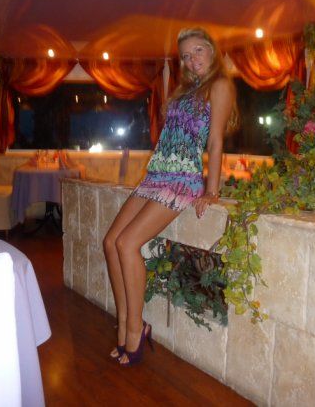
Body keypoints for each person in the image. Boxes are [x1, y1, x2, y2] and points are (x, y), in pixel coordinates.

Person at [102, 27, 238, 366]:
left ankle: (136, 328)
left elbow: (215, 141)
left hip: (181, 180)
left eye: (198, 51)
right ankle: (124, 323)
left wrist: (212, 191)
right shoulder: (186, 89)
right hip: (156, 175)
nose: (192, 60)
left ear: (211, 50)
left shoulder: (220, 85)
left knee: (127, 244)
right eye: (186, 56)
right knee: (110, 242)